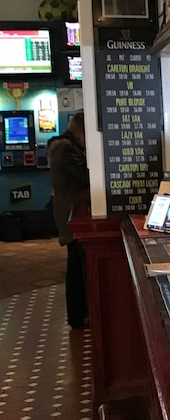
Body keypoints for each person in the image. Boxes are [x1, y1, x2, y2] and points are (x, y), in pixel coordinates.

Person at [48, 112, 90, 329]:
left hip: (71, 214)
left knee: (76, 266)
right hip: (72, 215)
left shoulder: (65, 148)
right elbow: (84, 177)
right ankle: (77, 315)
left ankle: (79, 314)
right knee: (76, 268)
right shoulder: (65, 151)